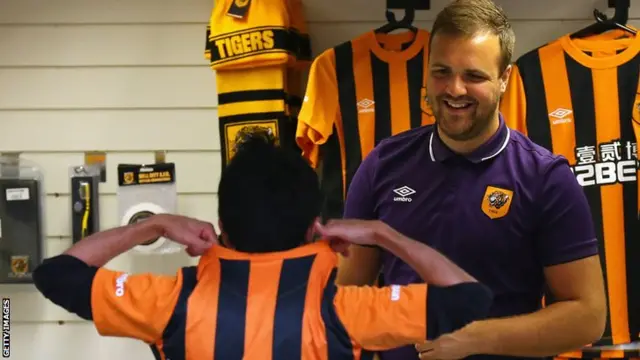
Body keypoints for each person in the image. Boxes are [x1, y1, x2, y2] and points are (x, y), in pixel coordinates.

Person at [32, 130, 493, 360]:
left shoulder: (170, 304)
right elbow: (469, 296)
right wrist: (379, 233)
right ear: (316, 227)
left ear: (221, 227)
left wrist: (150, 226)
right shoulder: (346, 311)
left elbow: (56, 274)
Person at [336, 1, 607, 360]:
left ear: (504, 78)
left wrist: (479, 338)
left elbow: (588, 317)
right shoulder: (383, 165)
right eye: (442, 72)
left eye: (474, 76)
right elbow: (343, 296)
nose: (455, 89)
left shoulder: (546, 178)